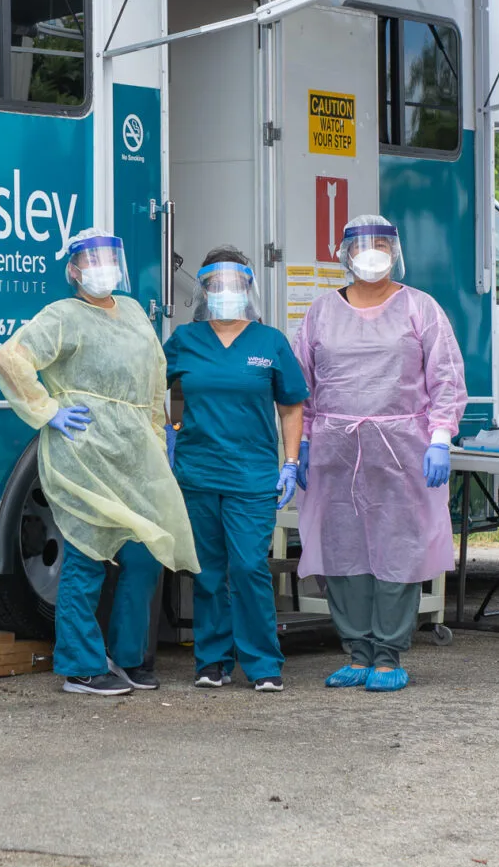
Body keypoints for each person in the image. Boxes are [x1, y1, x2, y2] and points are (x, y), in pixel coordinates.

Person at [0, 229, 199, 697]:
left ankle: (128, 658)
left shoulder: (133, 314)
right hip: (83, 455)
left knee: (144, 555)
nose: (102, 266)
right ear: (73, 269)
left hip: (132, 455)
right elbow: (11, 358)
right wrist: (49, 410)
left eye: (108, 256)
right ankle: (81, 666)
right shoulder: (62, 316)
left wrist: (157, 430)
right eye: (90, 259)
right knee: (87, 556)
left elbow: (154, 377)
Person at [292, 215, 466, 692]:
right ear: (344, 254)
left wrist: (438, 439)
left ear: (395, 251)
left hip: (402, 451)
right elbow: (299, 386)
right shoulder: (320, 314)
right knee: (341, 547)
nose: (372, 255)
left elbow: (446, 378)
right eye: (362, 247)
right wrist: (301, 444)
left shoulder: (420, 308)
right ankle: (356, 650)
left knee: (398, 548)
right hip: (334, 451)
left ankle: (388, 654)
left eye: (382, 246)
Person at [164, 247, 308, 693]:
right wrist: (167, 436)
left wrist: (290, 463)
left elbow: (291, 407)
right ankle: (212, 661)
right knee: (207, 572)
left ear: (248, 287)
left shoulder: (270, 343)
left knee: (248, 567)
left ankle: (263, 662)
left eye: (234, 284)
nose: (225, 292)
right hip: (198, 472)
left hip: (251, 476)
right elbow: (157, 390)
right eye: (216, 285)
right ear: (204, 289)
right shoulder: (185, 341)